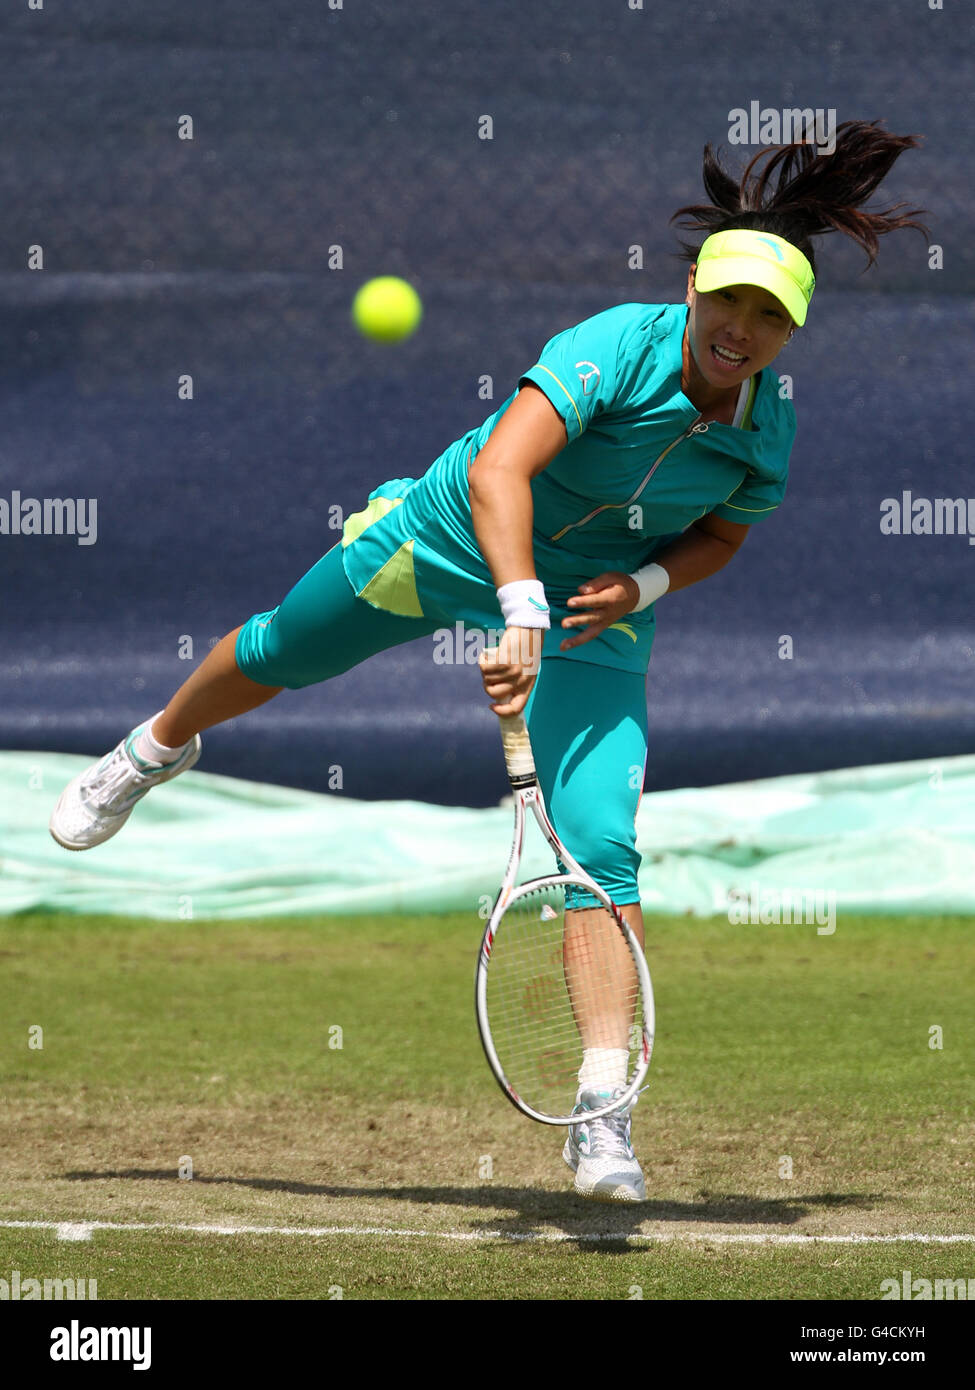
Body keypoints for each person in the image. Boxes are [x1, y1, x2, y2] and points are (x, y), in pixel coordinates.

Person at [50, 120, 927, 1203]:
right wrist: (513, 601)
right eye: (728, 302)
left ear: (792, 331)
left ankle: (603, 1116)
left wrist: (640, 587)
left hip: (592, 608)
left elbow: (724, 536)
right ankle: (151, 749)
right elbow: (504, 469)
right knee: (283, 648)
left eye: (769, 317)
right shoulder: (615, 344)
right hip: (452, 536)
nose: (740, 331)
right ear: (693, 287)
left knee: (602, 843)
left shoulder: (767, 428)